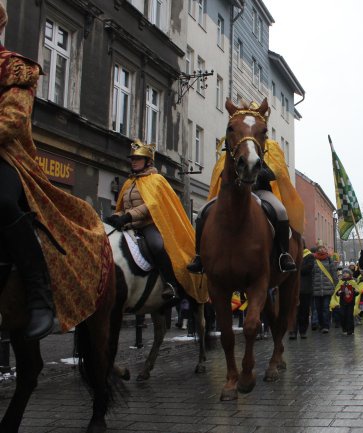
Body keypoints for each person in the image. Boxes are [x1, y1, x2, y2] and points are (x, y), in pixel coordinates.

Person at [0, 8, 112, 340]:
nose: (134, 163)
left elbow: (14, 119)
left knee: (3, 201)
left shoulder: (15, 68)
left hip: (5, 156)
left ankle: (39, 291)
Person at [187, 102, 304, 274]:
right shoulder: (236, 141)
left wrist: (259, 173)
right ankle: (199, 257)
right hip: (234, 192)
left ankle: (283, 255)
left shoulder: (270, 146)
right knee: (203, 213)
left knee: (280, 212)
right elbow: (221, 169)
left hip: (261, 191)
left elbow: (277, 172)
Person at [107, 140, 202, 306]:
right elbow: (122, 206)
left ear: (148, 161)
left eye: (138, 158)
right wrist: (116, 216)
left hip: (149, 225)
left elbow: (152, 205)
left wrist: (128, 216)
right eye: (133, 158)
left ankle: (171, 284)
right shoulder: (129, 182)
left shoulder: (157, 180)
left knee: (157, 246)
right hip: (130, 226)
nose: (134, 161)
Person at [290, 243, 315, 339]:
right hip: (293, 288)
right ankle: (292, 331)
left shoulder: (309, 256)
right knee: (293, 312)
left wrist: (295, 268)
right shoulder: (292, 254)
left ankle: (303, 331)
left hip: (305, 288)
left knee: (304, 311)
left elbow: (308, 269)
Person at [311, 245, 337, 333]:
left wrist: (337, 286)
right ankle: (321, 324)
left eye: (324, 248)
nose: (322, 249)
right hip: (316, 288)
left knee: (326, 308)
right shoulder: (314, 260)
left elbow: (334, 273)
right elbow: (312, 274)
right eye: (320, 248)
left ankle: (326, 326)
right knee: (318, 309)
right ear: (317, 250)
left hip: (328, 288)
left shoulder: (329, 260)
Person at [334, 268, 359, 335]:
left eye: (346, 273)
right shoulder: (340, 282)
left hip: (350, 302)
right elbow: (337, 291)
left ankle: (350, 330)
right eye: (343, 273)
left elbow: (357, 292)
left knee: (349, 316)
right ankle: (344, 329)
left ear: (350, 274)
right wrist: (338, 292)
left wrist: (356, 291)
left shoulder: (353, 282)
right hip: (342, 302)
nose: (345, 274)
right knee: (343, 315)